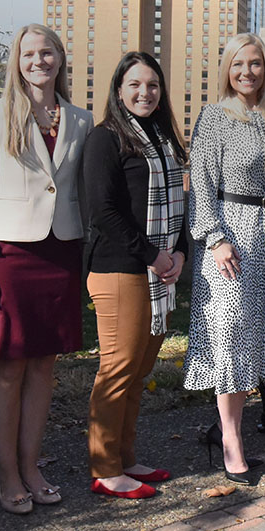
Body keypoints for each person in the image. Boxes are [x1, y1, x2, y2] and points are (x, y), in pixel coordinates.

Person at [0, 24, 93, 514]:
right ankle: (7, 474)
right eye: (30, 53)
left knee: (44, 365)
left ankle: (32, 466)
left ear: (60, 58)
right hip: (10, 255)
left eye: (48, 52)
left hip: (61, 252)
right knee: (9, 366)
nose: (39, 61)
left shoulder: (80, 119)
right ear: (17, 61)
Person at [184, 33, 265, 485]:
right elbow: (202, 184)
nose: (247, 72)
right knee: (228, 332)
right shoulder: (213, 117)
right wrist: (214, 238)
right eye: (237, 64)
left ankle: (226, 425)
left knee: (254, 333)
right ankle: (231, 439)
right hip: (229, 233)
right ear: (226, 69)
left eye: (255, 63)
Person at [82, 52, 188, 499]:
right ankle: (105, 467)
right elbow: (102, 211)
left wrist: (179, 251)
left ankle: (125, 457)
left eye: (152, 85)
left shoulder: (163, 139)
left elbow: (181, 201)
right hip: (120, 269)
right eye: (135, 85)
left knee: (140, 369)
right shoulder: (105, 139)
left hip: (158, 269)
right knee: (118, 368)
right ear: (119, 89)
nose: (145, 93)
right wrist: (152, 255)